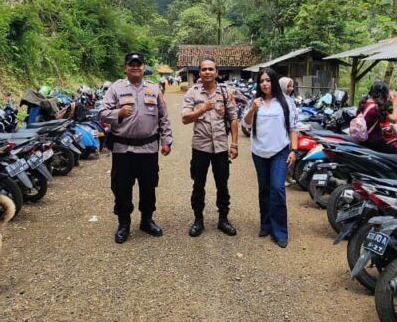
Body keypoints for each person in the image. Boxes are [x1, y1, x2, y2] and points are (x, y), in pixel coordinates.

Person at [99, 52, 173, 244]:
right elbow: (103, 113)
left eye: (138, 64)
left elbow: (164, 117)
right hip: (123, 150)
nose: (135, 67)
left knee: (149, 187)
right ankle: (124, 224)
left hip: (148, 149)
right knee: (122, 188)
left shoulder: (154, 89)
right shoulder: (115, 89)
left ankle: (147, 220)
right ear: (125, 68)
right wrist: (119, 112)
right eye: (131, 65)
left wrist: (166, 140)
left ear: (143, 67)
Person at [242, 67, 299, 248]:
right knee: (264, 189)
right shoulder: (254, 101)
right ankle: (265, 224)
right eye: (262, 81)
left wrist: (294, 150)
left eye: (268, 80)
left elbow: (293, 127)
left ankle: (280, 231)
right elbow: (246, 123)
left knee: (277, 189)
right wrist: (252, 109)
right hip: (259, 151)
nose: (265, 83)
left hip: (280, 151)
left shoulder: (286, 102)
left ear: (274, 81)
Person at [181, 58, 239, 237]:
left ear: (216, 72)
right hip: (200, 147)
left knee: (223, 184)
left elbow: (233, 118)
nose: (207, 72)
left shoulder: (225, 92)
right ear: (199, 72)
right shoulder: (192, 93)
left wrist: (235, 144)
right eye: (204, 69)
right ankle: (198, 220)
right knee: (198, 184)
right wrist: (202, 109)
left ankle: (223, 219)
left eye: (210, 69)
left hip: (221, 147)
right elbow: (185, 119)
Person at [360, 80, 397, 153]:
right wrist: (395, 102)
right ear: (382, 94)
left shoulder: (366, 102)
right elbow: (394, 119)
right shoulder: (375, 108)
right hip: (374, 142)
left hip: (364, 140)